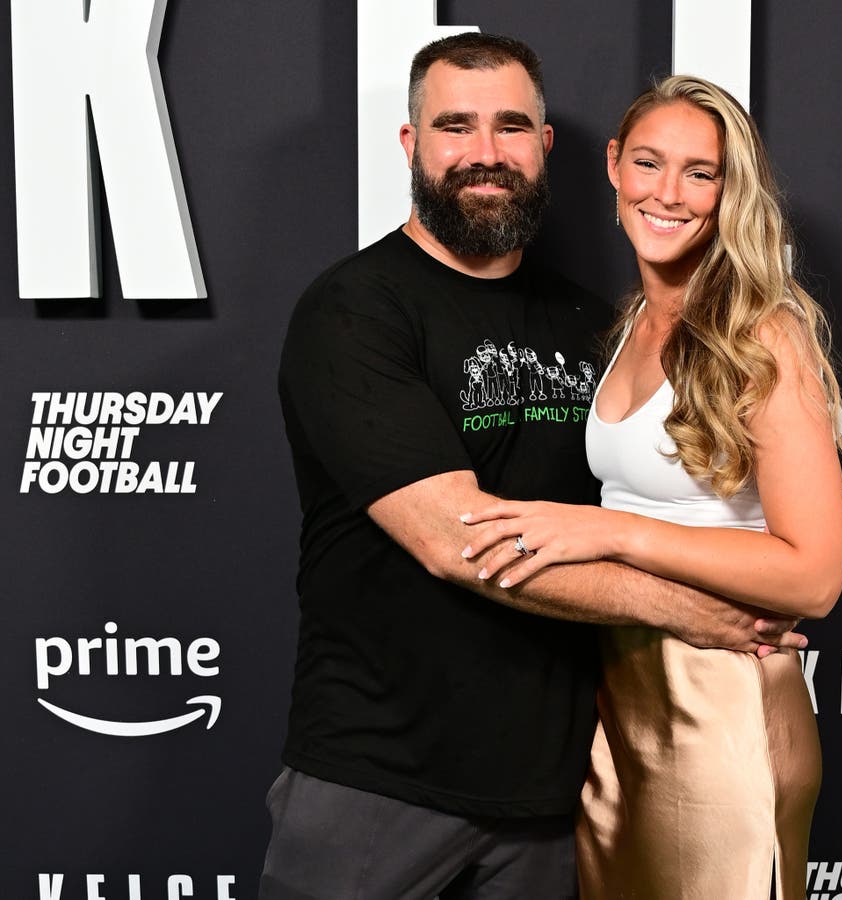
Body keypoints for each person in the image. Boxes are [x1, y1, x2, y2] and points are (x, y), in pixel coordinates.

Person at [260, 36, 806, 900]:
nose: (485, 153)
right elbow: (454, 539)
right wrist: (683, 612)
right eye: (455, 126)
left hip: (559, 790)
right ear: (412, 146)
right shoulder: (355, 311)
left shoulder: (601, 325)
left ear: (546, 148)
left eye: (511, 126)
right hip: (380, 774)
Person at [462, 76, 842, 898]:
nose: (667, 194)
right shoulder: (634, 318)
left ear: (730, 190)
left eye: (700, 173)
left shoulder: (762, 333)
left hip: (723, 701)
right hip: (620, 705)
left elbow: (814, 576)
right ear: (613, 166)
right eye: (648, 162)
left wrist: (612, 533)